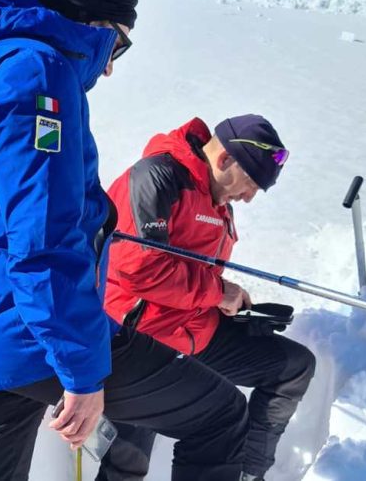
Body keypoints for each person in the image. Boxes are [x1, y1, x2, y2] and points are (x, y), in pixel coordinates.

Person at [0, 0, 252, 479]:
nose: (110, 67)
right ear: (94, 22)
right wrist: (80, 369)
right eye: (117, 46)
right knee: (220, 414)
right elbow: (44, 235)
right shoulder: (37, 71)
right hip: (36, 332)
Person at [99, 115, 317, 481]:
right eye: (250, 184)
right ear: (225, 159)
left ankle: (250, 474)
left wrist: (230, 303)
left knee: (292, 367)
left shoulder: (219, 202)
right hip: (143, 338)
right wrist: (217, 292)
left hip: (194, 330)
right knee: (129, 461)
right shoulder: (157, 178)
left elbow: (193, 270)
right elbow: (138, 268)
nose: (248, 198)